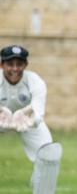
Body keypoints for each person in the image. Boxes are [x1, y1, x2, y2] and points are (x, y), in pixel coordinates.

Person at [0, 44, 62, 193]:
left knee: (49, 153)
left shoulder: (35, 81)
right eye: (10, 64)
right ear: (1, 64)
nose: (15, 69)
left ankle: (42, 189)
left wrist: (31, 117)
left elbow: (38, 110)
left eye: (19, 64)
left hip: (26, 121)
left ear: (25, 65)